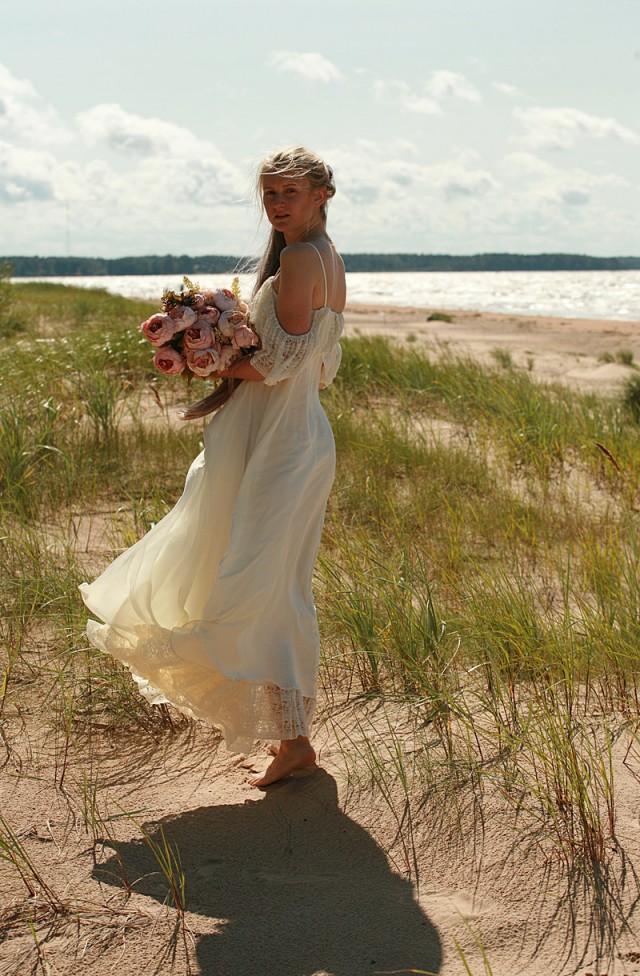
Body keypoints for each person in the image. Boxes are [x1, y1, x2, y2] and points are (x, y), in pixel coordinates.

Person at [78, 145, 345, 788]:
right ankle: (294, 741)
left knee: (260, 585)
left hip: (283, 446)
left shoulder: (306, 259)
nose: (277, 204)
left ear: (321, 197)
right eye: (270, 194)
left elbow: (280, 366)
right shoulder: (322, 259)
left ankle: (294, 740)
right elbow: (314, 367)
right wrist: (216, 346)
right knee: (265, 582)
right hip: (288, 438)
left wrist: (200, 359)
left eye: (289, 193)